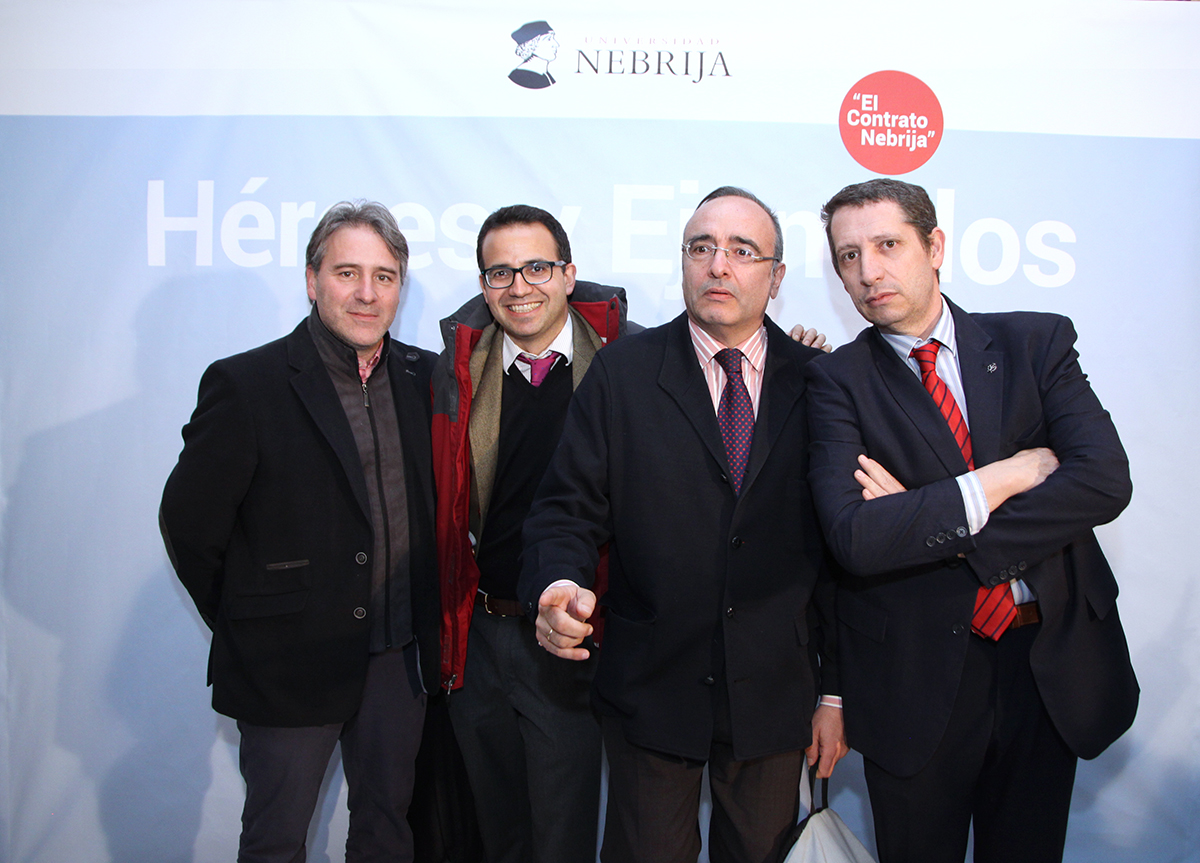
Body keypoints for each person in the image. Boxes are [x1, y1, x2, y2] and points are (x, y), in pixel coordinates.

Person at [805, 178, 1139, 863]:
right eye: (848, 256)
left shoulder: (1034, 343)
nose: (868, 272)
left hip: (1045, 667)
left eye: (888, 245)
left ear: (934, 247)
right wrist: (1005, 477)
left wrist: (926, 519)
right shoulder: (835, 381)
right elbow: (856, 538)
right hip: (912, 680)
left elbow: (1103, 480)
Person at [519, 187, 847, 863]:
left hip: (775, 694)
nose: (718, 264)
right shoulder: (622, 373)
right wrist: (557, 583)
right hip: (651, 688)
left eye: (742, 251)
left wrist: (836, 691)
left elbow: (844, 551)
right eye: (702, 247)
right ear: (683, 262)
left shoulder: (821, 382)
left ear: (776, 277)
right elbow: (565, 507)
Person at [160, 201, 439, 863]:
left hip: (399, 662)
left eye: (384, 276)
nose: (367, 292)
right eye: (347, 273)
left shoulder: (426, 377)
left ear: (399, 288)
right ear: (313, 280)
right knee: (276, 840)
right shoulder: (246, 383)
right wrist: (255, 617)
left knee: (388, 831)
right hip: (288, 662)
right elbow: (189, 524)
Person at [432, 204, 634, 862]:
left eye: (538, 268)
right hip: (481, 635)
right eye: (501, 272)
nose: (519, 286)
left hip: (573, 639)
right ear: (484, 284)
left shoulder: (628, 363)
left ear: (569, 275)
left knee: (561, 838)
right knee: (497, 835)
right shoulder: (457, 371)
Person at [508, 21, 559, 89]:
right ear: (531, 45)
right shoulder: (522, 76)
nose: (556, 44)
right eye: (548, 39)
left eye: (553, 38)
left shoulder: (544, 74)